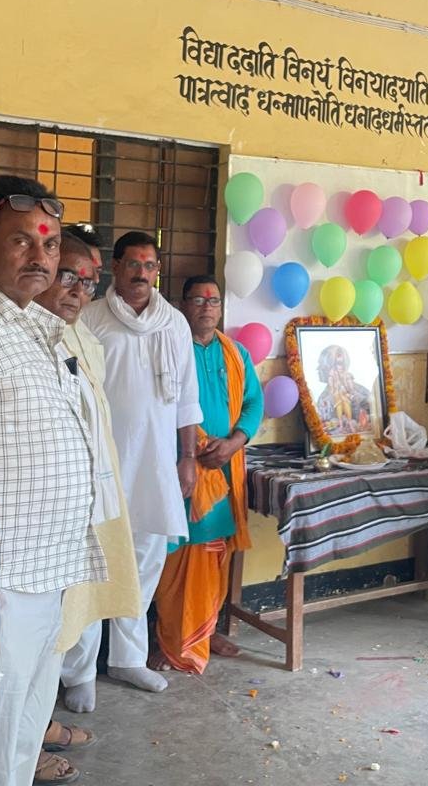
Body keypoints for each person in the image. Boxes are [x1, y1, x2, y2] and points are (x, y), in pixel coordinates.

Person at [0, 176, 109, 786]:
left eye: (50, 243)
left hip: (50, 568)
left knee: (22, 731)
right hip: (1, 580)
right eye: (21, 241)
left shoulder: (34, 324)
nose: (42, 256)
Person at [73, 231, 203, 705]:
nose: (141, 274)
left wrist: (187, 458)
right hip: (100, 465)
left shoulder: (174, 324)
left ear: (157, 271)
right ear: (115, 267)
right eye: (133, 264)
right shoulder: (91, 318)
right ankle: (78, 672)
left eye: (149, 266)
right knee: (92, 564)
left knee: (145, 561)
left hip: (155, 464)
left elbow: (187, 399)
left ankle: (128, 659)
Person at [36, 227, 142, 774]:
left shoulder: (83, 338)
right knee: (33, 631)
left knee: (73, 609)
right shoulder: (24, 335)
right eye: (69, 276)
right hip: (35, 516)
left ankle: (41, 720)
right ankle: (26, 741)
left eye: (90, 281)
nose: (79, 290)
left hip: (85, 498)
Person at [151, 275, 264, 672]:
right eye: (198, 299)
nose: (206, 306)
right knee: (175, 555)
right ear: (183, 305)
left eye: (213, 300)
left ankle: (206, 628)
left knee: (214, 554)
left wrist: (234, 442)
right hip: (179, 466)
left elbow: (253, 403)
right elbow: (156, 403)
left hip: (224, 470)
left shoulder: (236, 353)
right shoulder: (168, 347)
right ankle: (169, 639)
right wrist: (194, 447)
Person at [314, 343, 375, 434]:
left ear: (332, 367)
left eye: (321, 364)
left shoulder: (362, 393)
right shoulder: (323, 397)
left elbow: (373, 423)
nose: (317, 369)